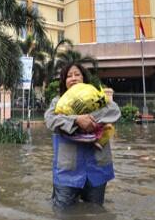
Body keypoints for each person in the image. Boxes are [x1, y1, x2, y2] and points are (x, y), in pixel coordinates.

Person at [45, 62, 121, 209]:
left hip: (97, 169)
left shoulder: (98, 98)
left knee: (95, 213)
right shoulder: (57, 102)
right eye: (69, 76)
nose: (73, 78)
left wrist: (88, 118)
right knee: (62, 214)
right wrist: (77, 120)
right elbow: (50, 120)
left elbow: (115, 112)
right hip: (67, 170)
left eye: (77, 74)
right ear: (64, 81)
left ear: (84, 78)